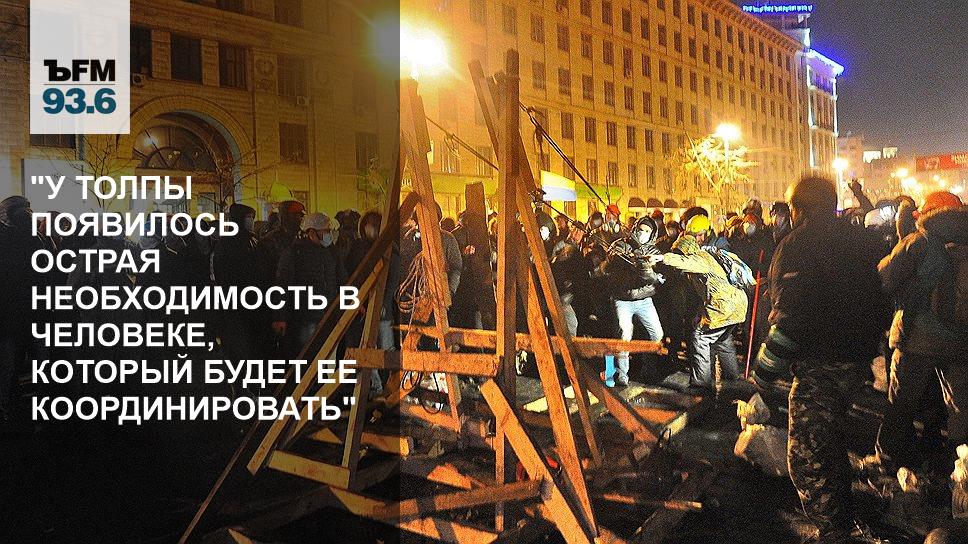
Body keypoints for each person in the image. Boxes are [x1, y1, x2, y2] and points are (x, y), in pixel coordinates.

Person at [755, 176, 890, 543]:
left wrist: (764, 372)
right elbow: (881, 296)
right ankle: (841, 518)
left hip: (820, 365)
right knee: (830, 442)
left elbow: (792, 316)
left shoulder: (798, 245)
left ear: (799, 209)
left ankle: (833, 531)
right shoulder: (861, 239)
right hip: (856, 360)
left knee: (808, 458)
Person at [875, 191, 967, 477]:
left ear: (928, 213)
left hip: (918, 337)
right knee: (961, 405)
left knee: (901, 402)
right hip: (962, 338)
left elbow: (885, 278)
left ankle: (886, 458)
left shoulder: (920, 241)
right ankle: (960, 463)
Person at [658, 214, 748, 393]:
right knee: (723, 340)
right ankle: (732, 379)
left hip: (723, 307)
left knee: (699, 338)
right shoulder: (711, 253)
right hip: (735, 306)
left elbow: (684, 262)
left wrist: (662, 258)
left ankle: (701, 385)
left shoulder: (699, 257)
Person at [0, 197, 47, 424]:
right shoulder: (35, 241)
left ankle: (12, 404)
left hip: (19, 315)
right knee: (16, 363)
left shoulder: (33, 241)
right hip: (23, 314)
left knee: (12, 363)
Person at [602, 216, 664, 386]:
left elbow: (653, 277)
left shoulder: (653, 250)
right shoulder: (621, 244)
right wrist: (617, 258)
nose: (643, 233)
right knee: (624, 335)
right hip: (623, 298)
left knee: (657, 334)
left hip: (644, 299)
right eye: (640, 229)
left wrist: (642, 263)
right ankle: (622, 374)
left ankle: (648, 368)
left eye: (647, 231)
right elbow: (609, 264)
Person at [273, 213, 346, 356]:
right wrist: (279, 317)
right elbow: (282, 286)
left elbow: (341, 278)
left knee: (326, 355)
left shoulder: (330, 252)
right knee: (308, 356)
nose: (329, 235)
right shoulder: (294, 253)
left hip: (329, 314)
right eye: (325, 231)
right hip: (305, 318)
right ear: (312, 233)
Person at [257, 200, 305, 287]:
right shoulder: (270, 240)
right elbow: (264, 273)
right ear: (285, 216)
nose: (300, 218)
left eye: (301, 215)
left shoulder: (305, 237)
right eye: (295, 215)